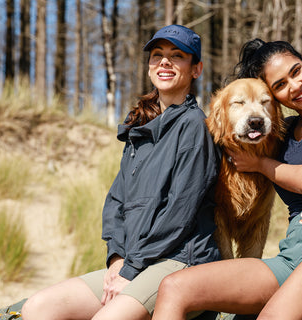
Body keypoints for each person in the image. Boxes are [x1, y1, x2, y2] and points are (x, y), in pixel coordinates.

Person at [151, 39, 302, 320]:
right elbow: (225, 130)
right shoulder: (280, 133)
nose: (295, 86)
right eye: (280, 85)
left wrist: (259, 164)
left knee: (271, 316)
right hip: (293, 252)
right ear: (276, 98)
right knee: (174, 287)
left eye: (296, 71)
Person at [21, 25, 221, 320]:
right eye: (157, 55)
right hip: (134, 261)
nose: (164, 62)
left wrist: (130, 269)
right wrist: (116, 258)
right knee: (38, 308)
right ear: (150, 66)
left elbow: (179, 213)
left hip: (180, 260)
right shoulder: (140, 130)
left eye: (177, 56)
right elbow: (116, 201)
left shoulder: (194, 125)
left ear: (196, 69)